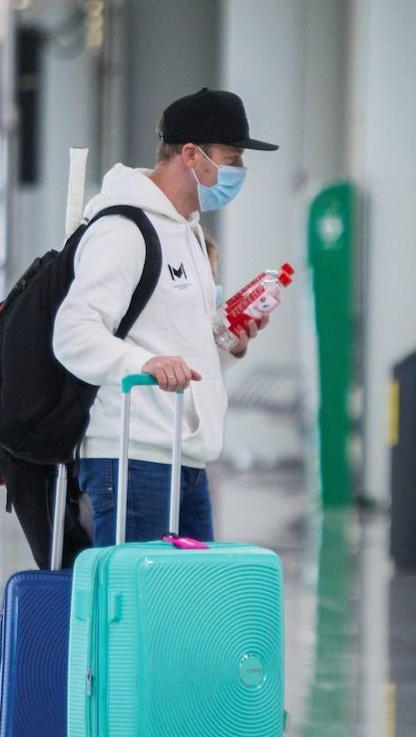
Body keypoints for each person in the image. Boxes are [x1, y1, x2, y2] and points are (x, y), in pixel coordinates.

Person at [53, 88, 278, 546]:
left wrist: (229, 342)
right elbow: (72, 333)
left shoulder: (187, 233)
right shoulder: (124, 229)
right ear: (191, 155)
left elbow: (177, 343)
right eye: (232, 159)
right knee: (142, 610)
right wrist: (141, 365)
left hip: (185, 457)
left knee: (184, 610)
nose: (239, 172)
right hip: (132, 457)